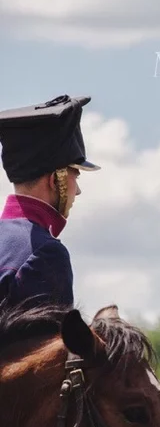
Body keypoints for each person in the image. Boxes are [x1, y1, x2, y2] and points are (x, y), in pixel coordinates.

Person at [0, 94, 99, 308]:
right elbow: (47, 342)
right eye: (76, 176)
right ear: (56, 180)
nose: (78, 191)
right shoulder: (45, 255)